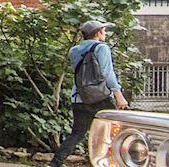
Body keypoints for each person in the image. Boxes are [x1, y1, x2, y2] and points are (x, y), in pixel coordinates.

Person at [52, 19, 127, 167]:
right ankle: (113, 162)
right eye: (104, 31)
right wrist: (119, 96)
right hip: (100, 98)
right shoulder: (102, 48)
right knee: (114, 131)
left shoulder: (74, 50)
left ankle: (55, 163)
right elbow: (107, 73)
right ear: (98, 33)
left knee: (77, 133)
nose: (105, 33)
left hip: (79, 97)